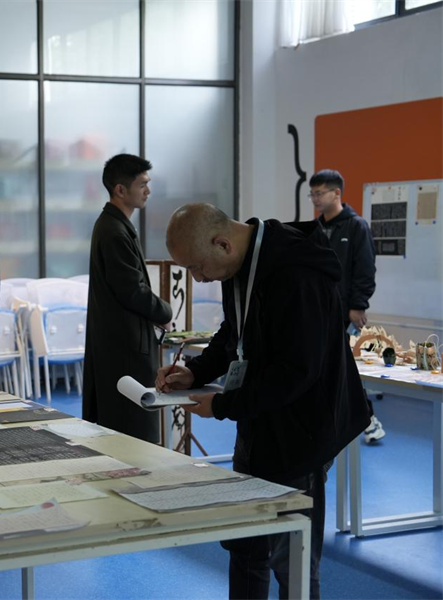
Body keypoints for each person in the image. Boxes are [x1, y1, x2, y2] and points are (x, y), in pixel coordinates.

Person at [157, 203, 369, 600]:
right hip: (258, 423)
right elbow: (233, 330)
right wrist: (196, 372)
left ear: (222, 243)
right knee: (246, 543)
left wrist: (222, 406)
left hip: (302, 432)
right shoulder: (237, 263)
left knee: (292, 559)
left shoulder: (297, 273)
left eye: (197, 267)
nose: (198, 278)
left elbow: (297, 371)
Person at [83, 154, 172, 444]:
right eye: (142, 184)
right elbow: (132, 290)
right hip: (124, 347)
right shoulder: (113, 230)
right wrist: (165, 312)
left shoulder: (114, 225)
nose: (148, 190)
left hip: (122, 342)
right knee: (131, 432)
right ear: (120, 189)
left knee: (126, 426)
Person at [310, 169, 384, 443]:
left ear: (336, 193)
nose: (315, 199)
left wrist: (357, 306)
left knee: (346, 369)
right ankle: (329, 421)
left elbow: (365, 269)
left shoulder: (356, 226)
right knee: (323, 369)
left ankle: (369, 421)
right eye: (312, 194)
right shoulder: (315, 228)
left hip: (345, 313)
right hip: (318, 311)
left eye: (319, 193)